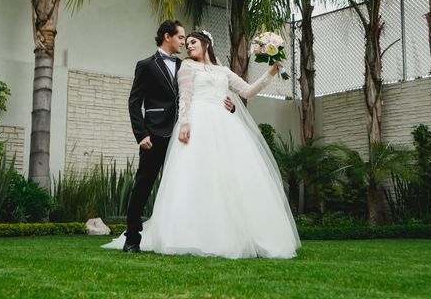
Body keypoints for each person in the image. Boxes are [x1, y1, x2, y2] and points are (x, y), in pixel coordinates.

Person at [105, 30, 300, 259]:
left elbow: (247, 91)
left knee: (226, 179)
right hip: (196, 123)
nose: (188, 46)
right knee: (193, 178)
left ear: (207, 44)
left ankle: (228, 233)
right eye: (186, 43)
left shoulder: (224, 71)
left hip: (224, 126)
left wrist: (270, 72)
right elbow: (185, 96)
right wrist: (185, 123)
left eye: (193, 42)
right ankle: (174, 234)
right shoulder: (187, 66)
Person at [120, 20, 234, 253]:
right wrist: (141, 134)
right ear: (167, 36)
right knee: (143, 185)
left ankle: (185, 235)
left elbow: (206, 92)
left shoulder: (188, 65)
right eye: (181, 38)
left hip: (186, 136)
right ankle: (132, 238)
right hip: (155, 135)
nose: (184, 42)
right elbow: (134, 103)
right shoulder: (146, 65)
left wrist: (228, 106)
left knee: (185, 186)